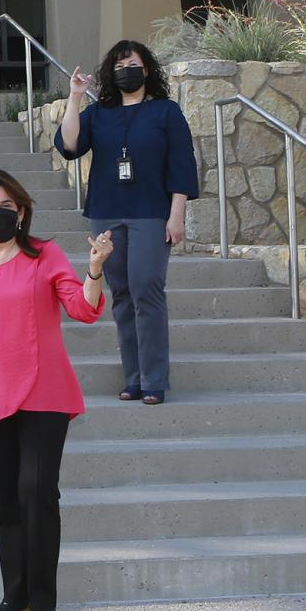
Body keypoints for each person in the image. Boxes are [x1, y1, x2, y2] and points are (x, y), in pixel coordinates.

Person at [0, 168, 113, 611]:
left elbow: (83, 310)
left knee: (37, 492)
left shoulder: (45, 256)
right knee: (6, 501)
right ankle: (14, 600)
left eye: (4, 206)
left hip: (44, 393)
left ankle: (46, 605)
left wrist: (96, 268)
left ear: (20, 212)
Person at [55, 40, 199, 406]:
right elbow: (69, 145)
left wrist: (177, 213)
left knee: (147, 289)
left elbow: (181, 163)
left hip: (151, 212)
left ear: (146, 70)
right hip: (107, 212)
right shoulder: (98, 113)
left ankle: (154, 378)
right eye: (119, 66)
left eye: (132, 64)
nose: (126, 71)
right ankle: (133, 377)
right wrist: (75, 97)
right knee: (120, 294)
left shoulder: (166, 112)